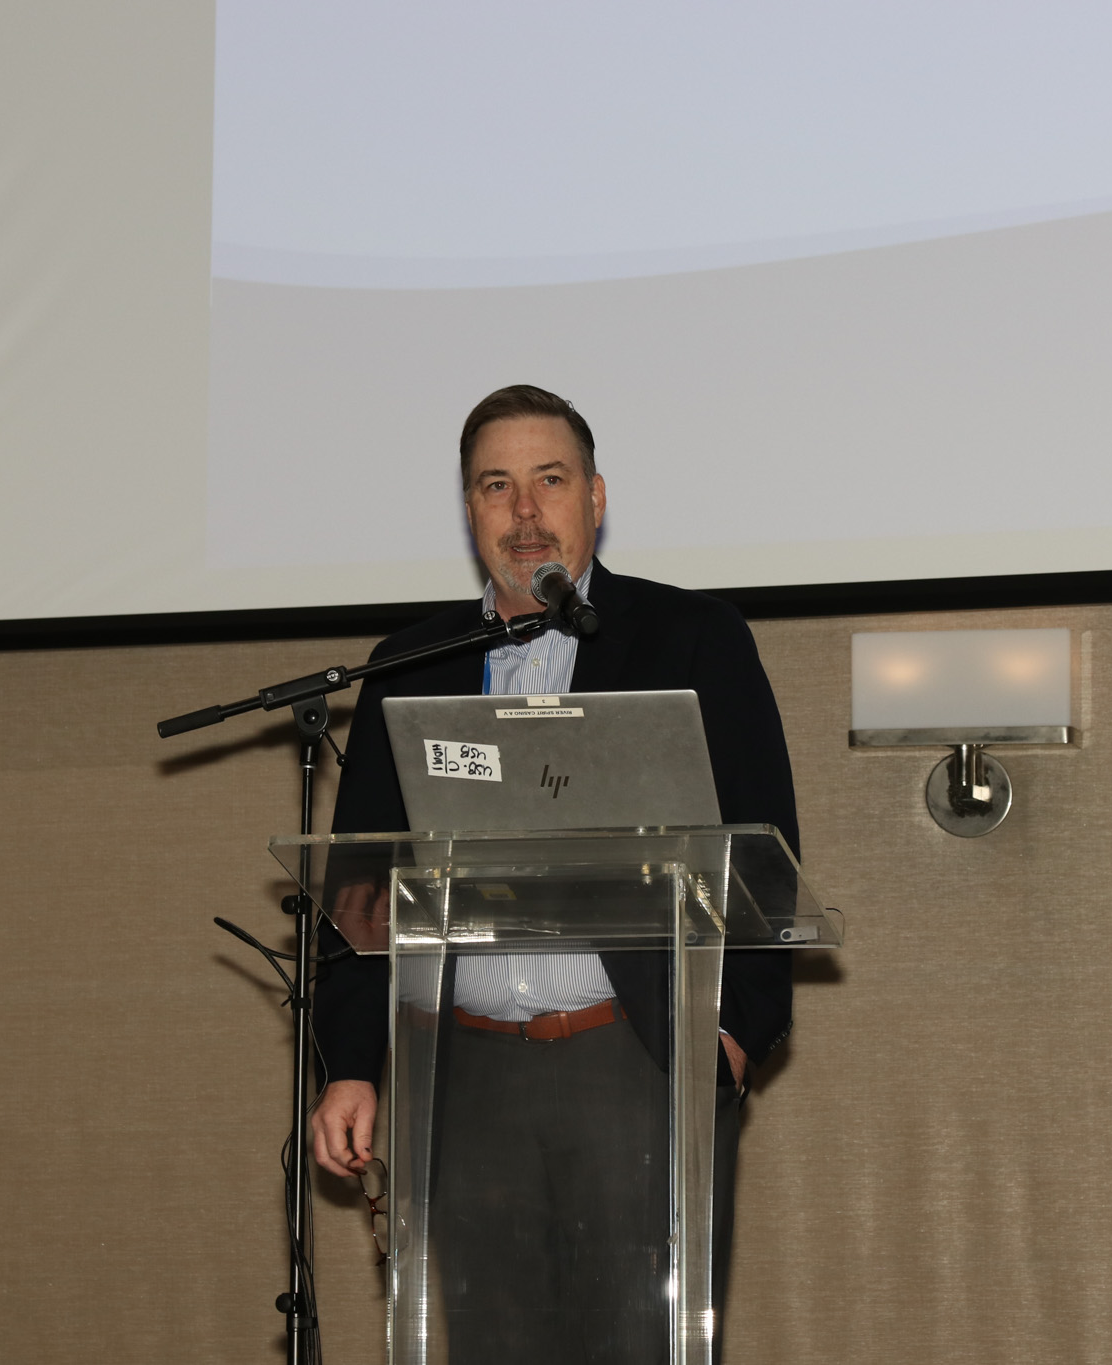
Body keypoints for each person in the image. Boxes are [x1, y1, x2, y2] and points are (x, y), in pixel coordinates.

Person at [309, 384, 799, 1362]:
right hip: (466, 1073)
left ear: (596, 498)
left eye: (550, 480)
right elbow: (365, 885)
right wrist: (352, 1062)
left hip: (637, 1055)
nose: (525, 511)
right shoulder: (408, 665)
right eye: (497, 485)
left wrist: (734, 1033)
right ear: (469, 509)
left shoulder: (690, 638)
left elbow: (762, 844)